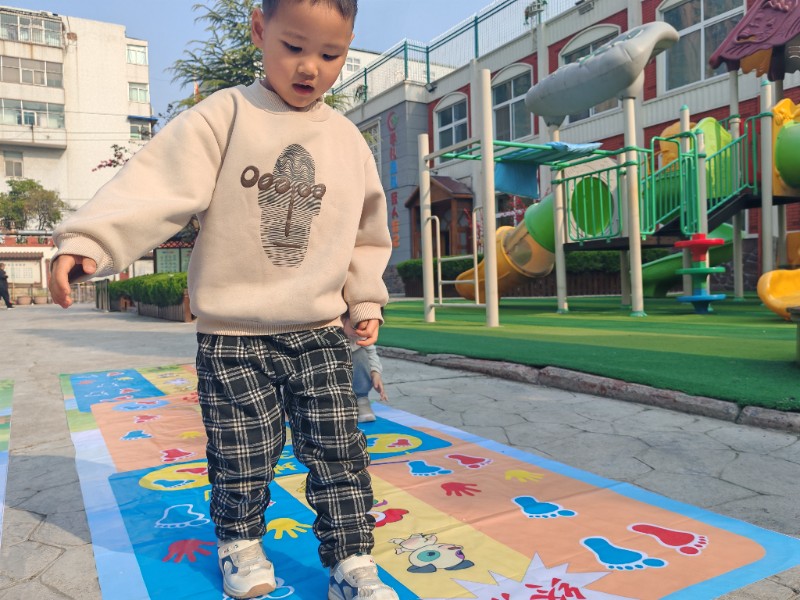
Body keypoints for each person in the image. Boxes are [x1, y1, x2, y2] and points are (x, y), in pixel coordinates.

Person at [47, 1, 398, 599]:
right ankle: (240, 542)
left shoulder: (345, 141)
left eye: (330, 54)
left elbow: (367, 233)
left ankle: (351, 557)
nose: (309, 67)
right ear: (260, 30)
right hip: (234, 336)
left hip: (318, 330)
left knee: (339, 449)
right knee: (242, 452)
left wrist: (364, 299)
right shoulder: (225, 116)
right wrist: (91, 241)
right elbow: (157, 182)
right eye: (293, 47)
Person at [343, 314, 388, 423]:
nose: (359, 332)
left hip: (352, 371)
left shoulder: (360, 335)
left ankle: (361, 400)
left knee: (361, 354)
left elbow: (371, 352)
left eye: (364, 329)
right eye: (354, 327)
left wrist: (375, 373)